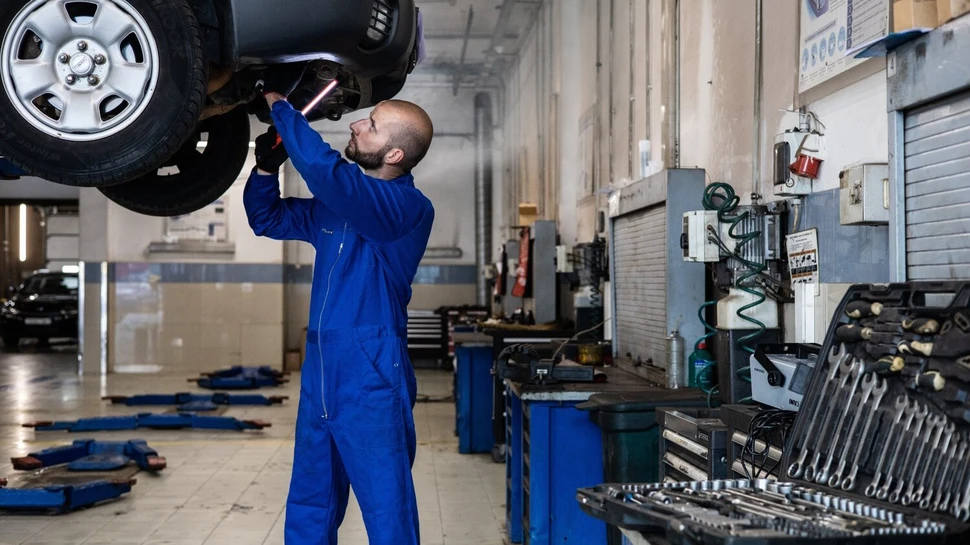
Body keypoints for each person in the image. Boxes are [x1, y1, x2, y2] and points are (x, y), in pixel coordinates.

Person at [243, 91, 435, 545]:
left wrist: (284, 111)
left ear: (393, 154)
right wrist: (266, 169)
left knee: (387, 507)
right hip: (322, 371)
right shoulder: (336, 207)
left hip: (370, 373)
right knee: (311, 499)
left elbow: (332, 177)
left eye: (370, 124)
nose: (355, 126)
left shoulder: (407, 209)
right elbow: (267, 219)